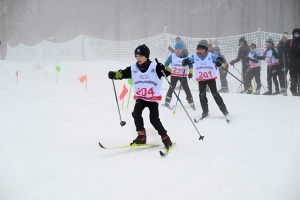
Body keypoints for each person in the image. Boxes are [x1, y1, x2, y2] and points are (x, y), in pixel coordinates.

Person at [107, 44, 173, 149]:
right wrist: (114, 74)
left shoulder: (154, 67)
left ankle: (165, 137)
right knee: (136, 113)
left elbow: (169, 71)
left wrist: (163, 67)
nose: (138, 58)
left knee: (154, 119)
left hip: (153, 99)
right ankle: (141, 136)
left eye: (141, 56)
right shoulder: (133, 68)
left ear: (146, 56)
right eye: (136, 56)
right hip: (141, 97)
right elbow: (122, 73)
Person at [182, 40, 229, 117]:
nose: (200, 50)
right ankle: (205, 111)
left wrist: (219, 61)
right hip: (201, 79)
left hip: (210, 78)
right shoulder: (195, 56)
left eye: (202, 49)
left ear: (206, 49)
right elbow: (189, 59)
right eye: (199, 49)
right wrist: (185, 61)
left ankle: (224, 110)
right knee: (202, 94)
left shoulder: (210, 56)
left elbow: (220, 59)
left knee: (215, 94)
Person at [164, 42, 195, 110]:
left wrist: (190, 73)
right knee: (172, 88)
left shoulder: (186, 57)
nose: (178, 50)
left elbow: (190, 65)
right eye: (176, 48)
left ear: (182, 49)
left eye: (179, 48)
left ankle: (190, 101)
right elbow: (166, 64)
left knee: (186, 88)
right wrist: (167, 70)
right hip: (174, 75)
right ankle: (167, 100)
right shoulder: (172, 56)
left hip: (182, 76)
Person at [285, 28, 300, 96]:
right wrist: (290, 51)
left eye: (298, 33)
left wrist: (297, 51)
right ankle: (294, 90)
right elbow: (284, 49)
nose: (296, 35)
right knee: (293, 77)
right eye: (295, 33)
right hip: (292, 63)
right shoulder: (290, 41)